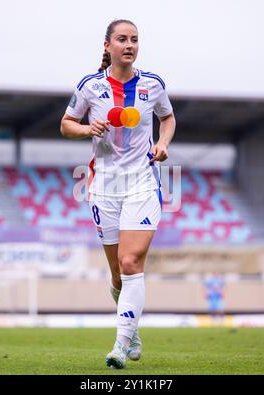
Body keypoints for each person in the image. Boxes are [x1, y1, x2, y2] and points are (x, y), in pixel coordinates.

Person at [60, 19, 176, 369]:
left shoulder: (152, 85)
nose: (129, 45)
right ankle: (133, 328)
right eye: (122, 39)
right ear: (107, 45)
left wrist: (163, 143)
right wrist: (85, 128)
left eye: (135, 40)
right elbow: (66, 124)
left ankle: (120, 345)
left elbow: (168, 118)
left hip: (142, 182)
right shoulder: (90, 86)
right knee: (116, 274)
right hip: (104, 187)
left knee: (131, 262)